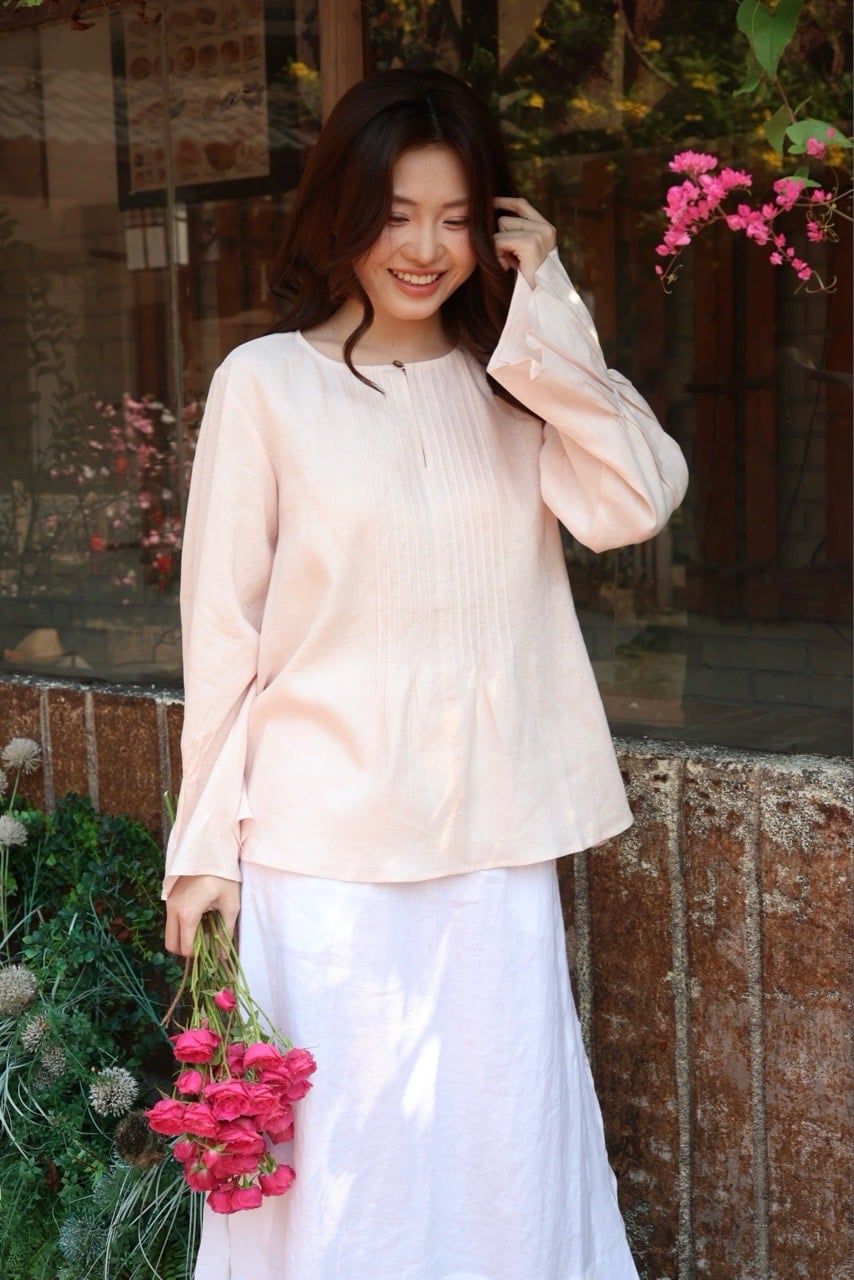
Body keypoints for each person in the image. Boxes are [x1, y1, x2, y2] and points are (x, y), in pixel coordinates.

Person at [162, 66, 688, 1280]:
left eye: (455, 218)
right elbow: (223, 633)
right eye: (396, 214)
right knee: (345, 1164)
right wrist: (202, 848)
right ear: (342, 212)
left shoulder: (515, 384)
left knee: (505, 1151)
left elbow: (635, 498)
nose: (424, 247)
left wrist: (544, 308)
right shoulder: (265, 384)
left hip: (492, 844)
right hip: (322, 852)